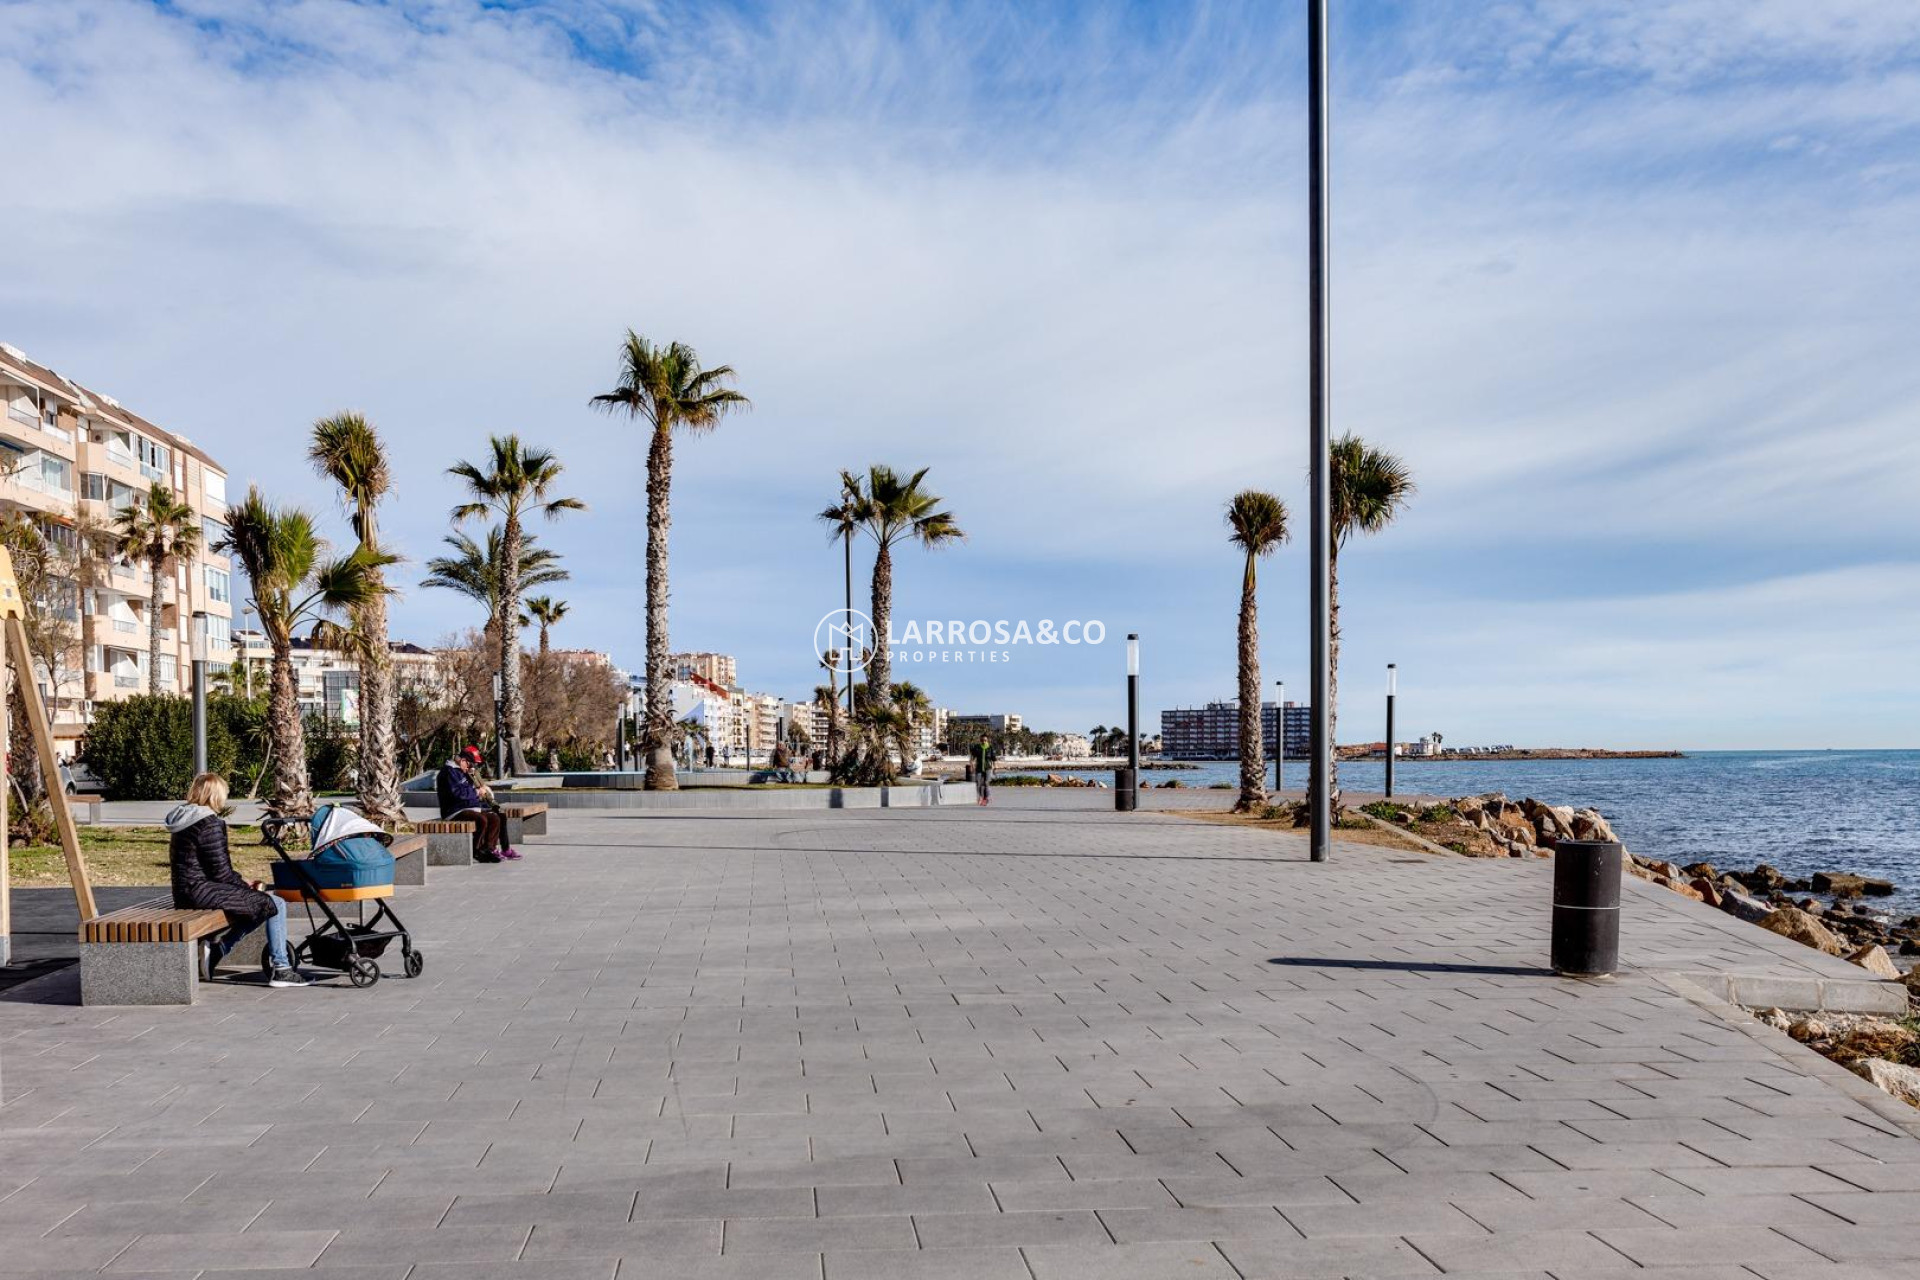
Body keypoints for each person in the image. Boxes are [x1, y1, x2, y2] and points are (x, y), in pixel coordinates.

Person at [167, 772, 308, 987]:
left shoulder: (184, 818)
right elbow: (221, 873)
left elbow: (208, 868)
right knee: (273, 903)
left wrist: (243, 886)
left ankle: (219, 949)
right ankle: (281, 969)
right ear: (215, 796)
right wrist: (246, 886)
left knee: (260, 902)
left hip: (185, 892)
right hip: (200, 892)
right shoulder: (209, 823)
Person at [436, 746, 515, 862]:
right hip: (454, 810)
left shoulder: (462, 771)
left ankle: (488, 848)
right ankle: (476, 850)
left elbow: (471, 791)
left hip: (468, 807)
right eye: (470, 764)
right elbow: (457, 793)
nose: (472, 767)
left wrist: (482, 795)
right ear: (462, 760)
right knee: (481, 819)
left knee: (494, 818)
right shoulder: (449, 772)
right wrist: (476, 792)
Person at [971, 737, 996, 806]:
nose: (983, 741)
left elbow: (993, 759)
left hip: (988, 768)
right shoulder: (977, 747)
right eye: (982, 740)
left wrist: (994, 767)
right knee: (978, 783)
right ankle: (980, 797)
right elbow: (973, 757)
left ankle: (985, 798)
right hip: (979, 768)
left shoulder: (990, 748)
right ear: (980, 740)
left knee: (986, 783)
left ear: (987, 740)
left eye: (985, 740)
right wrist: (972, 764)